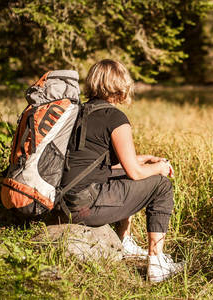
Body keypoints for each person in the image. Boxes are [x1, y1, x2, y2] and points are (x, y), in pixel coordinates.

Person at [60, 59, 183, 282]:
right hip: (85, 206)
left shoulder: (80, 112)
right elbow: (135, 173)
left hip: (65, 202)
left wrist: (145, 159)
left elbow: (103, 164)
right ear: (120, 84)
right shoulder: (114, 118)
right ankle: (156, 262)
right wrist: (160, 167)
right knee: (162, 186)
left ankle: (123, 241)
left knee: (128, 173)